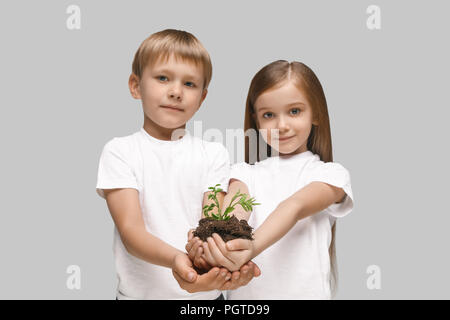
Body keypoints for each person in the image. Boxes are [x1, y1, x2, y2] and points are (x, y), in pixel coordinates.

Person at [95, 29, 258, 300]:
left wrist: (210, 255)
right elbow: (131, 231)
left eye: (189, 84)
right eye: (162, 78)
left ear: (202, 98)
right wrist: (176, 259)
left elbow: (212, 221)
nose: (175, 92)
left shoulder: (213, 153)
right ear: (136, 86)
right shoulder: (120, 151)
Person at [187, 60, 354, 299]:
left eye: (294, 111)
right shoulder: (243, 173)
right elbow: (233, 218)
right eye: (269, 115)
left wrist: (252, 247)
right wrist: (211, 248)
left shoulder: (331, 175)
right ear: (256, 120)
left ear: (315, 113)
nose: (282, 125)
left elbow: (294, 207)